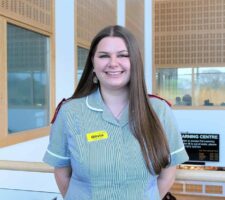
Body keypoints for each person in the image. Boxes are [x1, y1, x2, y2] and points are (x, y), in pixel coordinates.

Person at [43, 25, 189, 200]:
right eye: (104, 56)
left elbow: (168, 174)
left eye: (123, 55)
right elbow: (61, 173)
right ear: (93, 63)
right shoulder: (70, 111)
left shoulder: (159, 110)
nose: (113, 63)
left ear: (135, 61)